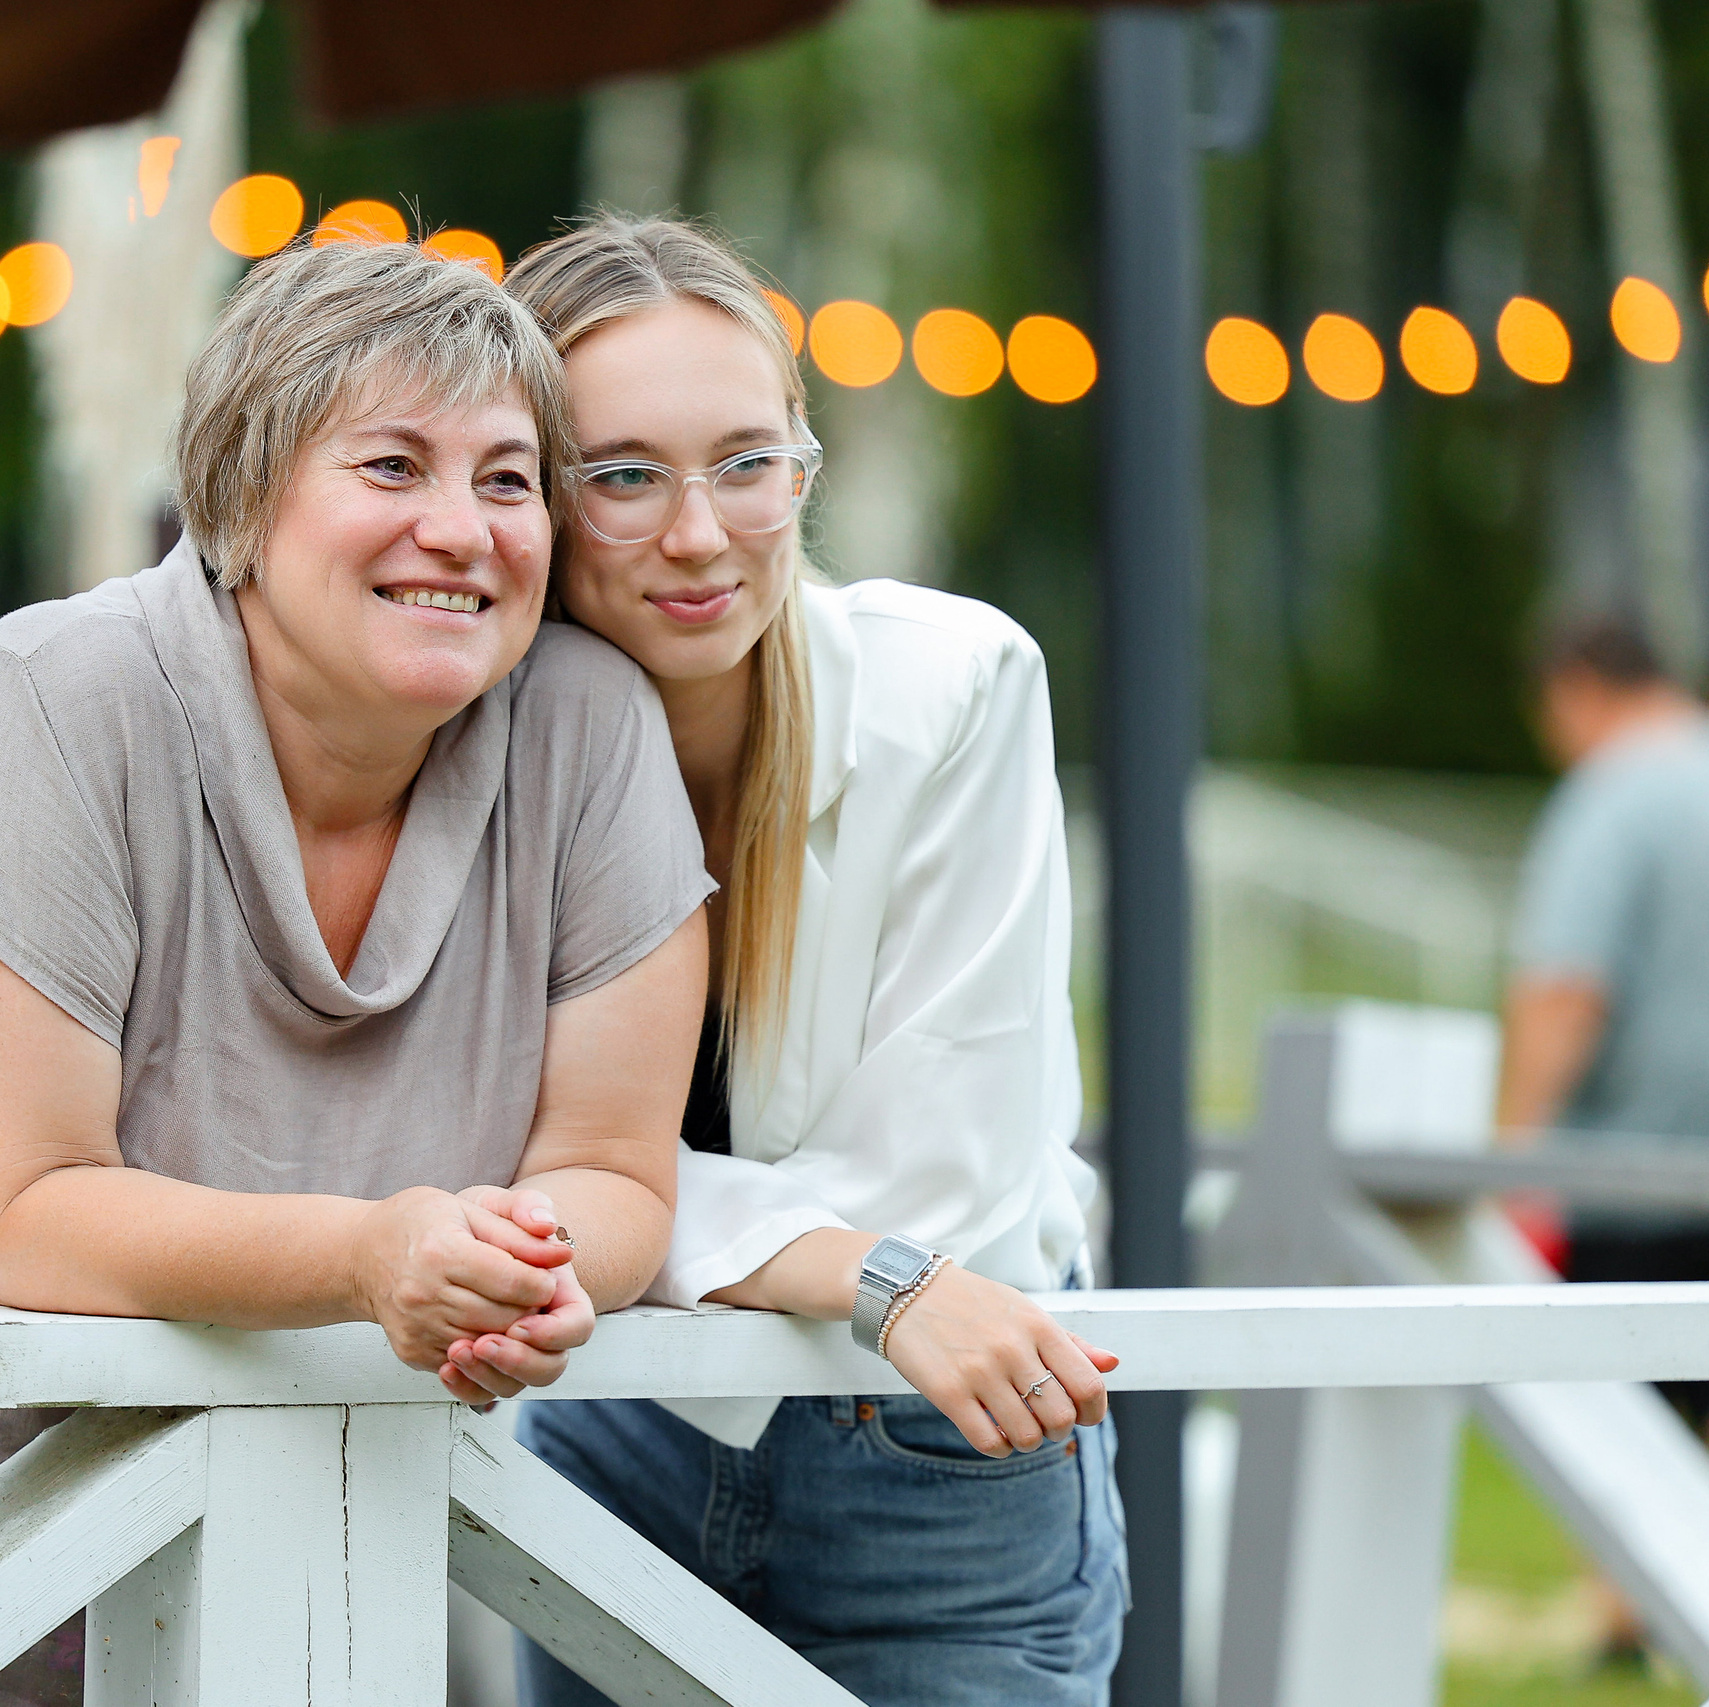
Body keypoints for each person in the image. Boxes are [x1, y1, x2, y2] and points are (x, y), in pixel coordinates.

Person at [0, 240, 715, 1706]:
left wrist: (530, 1268)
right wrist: (377, 1254)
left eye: (507, 482)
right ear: (243, 494)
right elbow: (24, 1216)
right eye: (391, 466)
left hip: (290, 1539)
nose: (461, 526)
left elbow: (618, 1169)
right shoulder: (58, 697)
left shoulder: (589, 735)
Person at [495, 216, 1125, 1705]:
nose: (701, 531)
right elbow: (469, 1154)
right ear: (524, 491)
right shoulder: (469, 738)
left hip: (932, 1441)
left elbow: (940, 1190)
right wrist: (851, 1266)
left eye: (746, 461)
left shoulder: (954, 688)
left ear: (804, 464)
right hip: (618, 1421)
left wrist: (615, 1200)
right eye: (625, 473)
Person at [1499, 613, 1709, 1487]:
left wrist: (1507, 1154)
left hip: (1634, 1170)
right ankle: (1615, 1617)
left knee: (1619, 1410)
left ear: (1576, 688)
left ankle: (1622, 1613)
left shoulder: (1613, 794)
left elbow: (1567, 989)